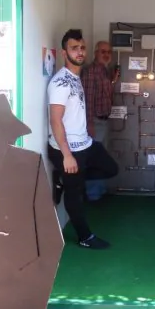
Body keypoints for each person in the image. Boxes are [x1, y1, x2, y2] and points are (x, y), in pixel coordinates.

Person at [47, 29, 118, 249]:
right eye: (74, 48)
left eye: (82, 47)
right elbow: (56, 120)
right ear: (63, 52)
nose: (79, 52)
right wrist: (67, 156)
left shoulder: (76, 78)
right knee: (74, 195)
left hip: (85, 143)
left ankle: (63, 179)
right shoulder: (60, 83)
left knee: (110, 168)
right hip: (67, 149)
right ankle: (84, 236)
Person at [81, 40, 120, 200]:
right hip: (94, 122)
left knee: (101, 157)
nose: (106, 55)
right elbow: (87, 100)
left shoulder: (104, 71)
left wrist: (112, 80)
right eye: (103, 51)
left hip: (103, 121)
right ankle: (93, 194)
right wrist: (89, 124)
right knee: (94, 158)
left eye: (109, 52)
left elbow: (102, 93)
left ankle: (100, 191)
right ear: (96, 53)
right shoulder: (91, 72)